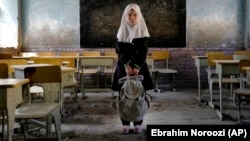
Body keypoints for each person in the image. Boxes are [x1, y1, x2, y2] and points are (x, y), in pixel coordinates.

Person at [111, 3, 154, 134]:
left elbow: (143, 52)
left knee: (139, 96)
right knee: (123, 96)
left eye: (135, 15)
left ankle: (138, 122)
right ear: (125, 16)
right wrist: (127, 65)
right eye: (129, 15)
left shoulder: (143, 32)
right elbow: (120, 51)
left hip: (140, 68)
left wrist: (135, 67)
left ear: (139, 16)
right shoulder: (121, 31)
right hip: (123, 68)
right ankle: (124, 123)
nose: (132, 18)